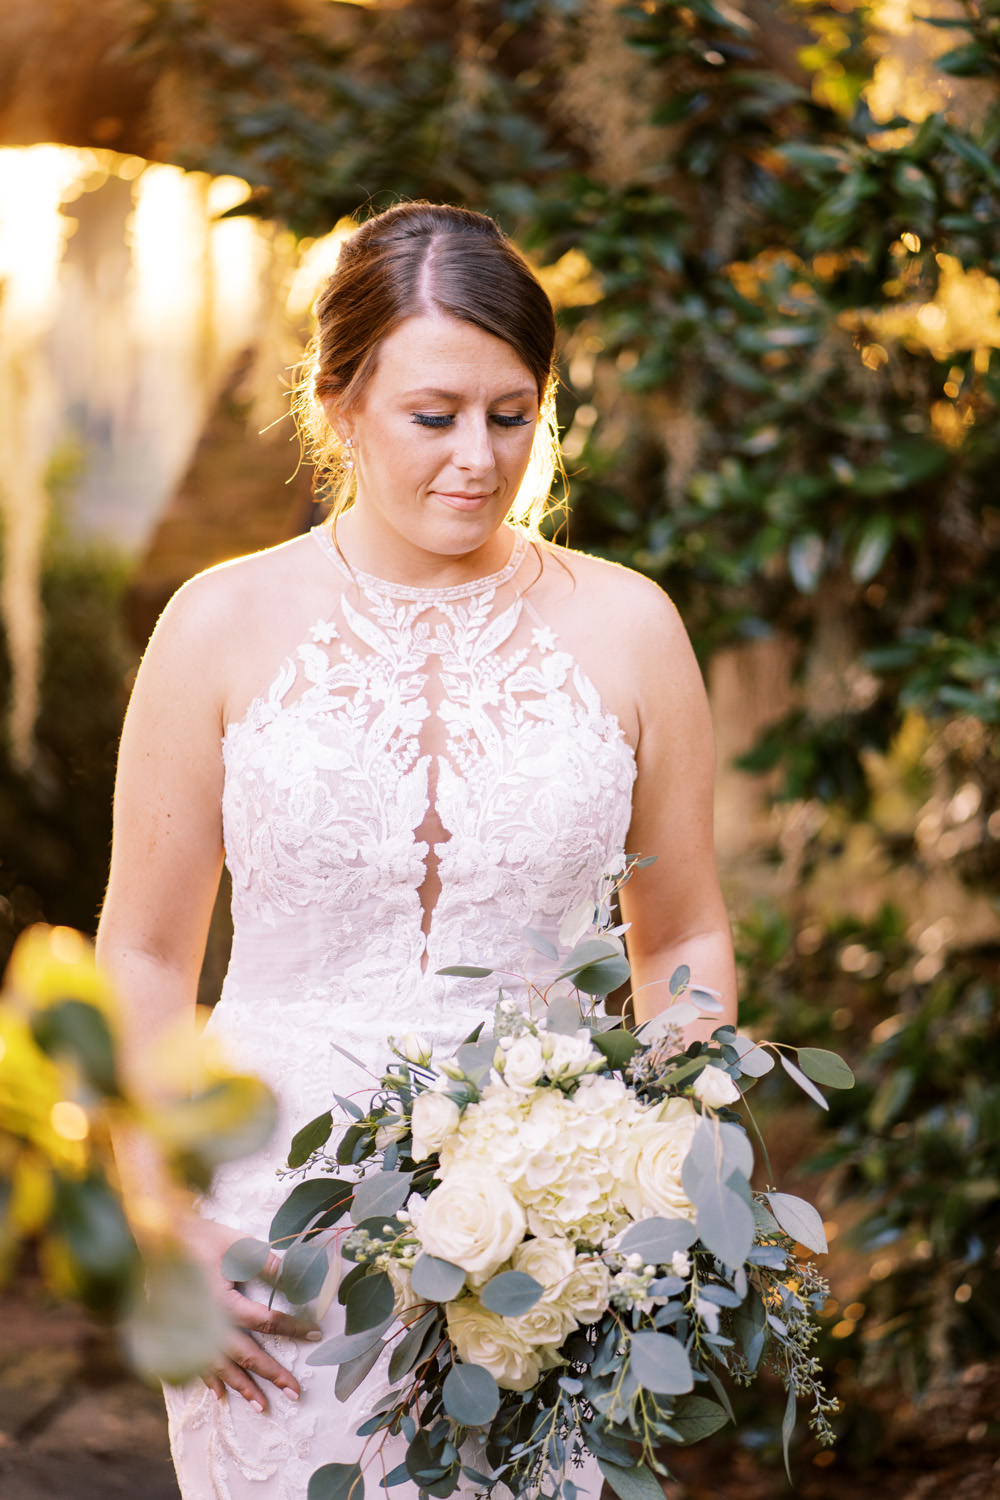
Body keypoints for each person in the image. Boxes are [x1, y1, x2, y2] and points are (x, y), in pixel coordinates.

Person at [97, 201, 737, 1500]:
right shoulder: (214, 627)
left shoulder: (631, 629)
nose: (480, 458)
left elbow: (686, 937)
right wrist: (160, 1224)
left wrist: (662, 1173)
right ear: (337, 405)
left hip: (556, 1249)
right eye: (433, 416)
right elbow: (147, 958)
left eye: (513, 414)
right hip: (271, 1238)